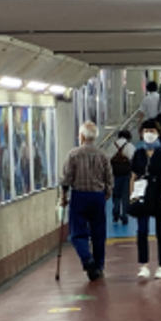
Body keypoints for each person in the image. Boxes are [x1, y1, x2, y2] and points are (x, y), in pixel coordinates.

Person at [60, 120, 112, 281]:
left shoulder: (73, 154)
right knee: (98, 233)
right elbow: (109, 178)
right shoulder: (103, 155)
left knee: (77, 233)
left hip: (79, 196)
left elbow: (66, 178)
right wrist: (107, 193)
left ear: (81, 136)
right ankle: (99, 266)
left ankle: (87, 259)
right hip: (97, 196)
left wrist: (63, 196)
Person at [131, 121, 161, 279]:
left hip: (160, 195)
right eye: (146, 130)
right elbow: (133, 176)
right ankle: (144, 265)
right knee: (142, 231)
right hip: (142, 195)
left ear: (158, 133)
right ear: (141, 133)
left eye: (152, 130)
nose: (149, 133)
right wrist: (132, 195)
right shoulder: (138, 154)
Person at [108, 128, 135, 225]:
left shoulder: (112, 145)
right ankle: (124, 215)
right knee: (125, 195)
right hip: (126, 173)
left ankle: (115, 212)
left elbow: (108, 158)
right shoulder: (130, 146)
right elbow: (133, 159)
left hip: (115, 173)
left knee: (116, 194)